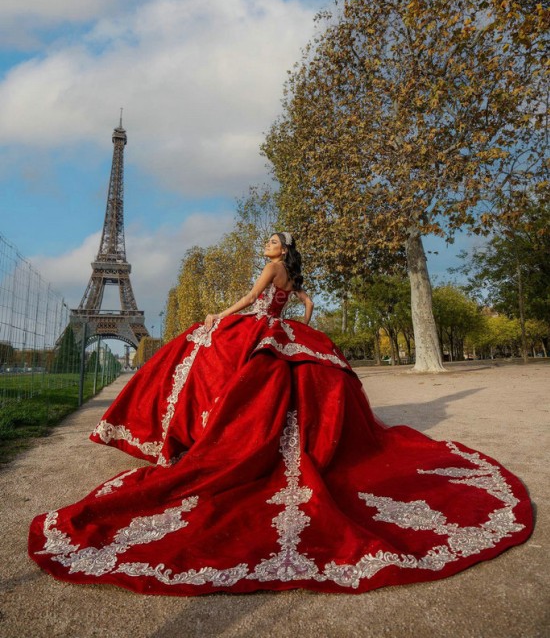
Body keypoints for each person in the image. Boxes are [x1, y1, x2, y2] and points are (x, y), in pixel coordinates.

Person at [28, 232, 532, 596]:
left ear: (280, 251)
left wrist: (216, 317)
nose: (266, 246)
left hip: (258, 326)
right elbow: (302, 300)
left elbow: (250, 300)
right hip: (280, 330)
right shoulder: (291, 276)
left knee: (197, 345)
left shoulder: (271, 270)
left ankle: (181, 431)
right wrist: (302, 318)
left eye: (271, 242)